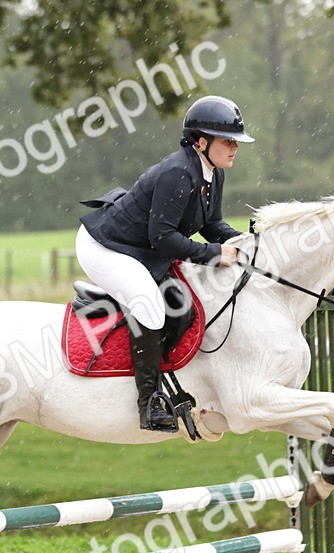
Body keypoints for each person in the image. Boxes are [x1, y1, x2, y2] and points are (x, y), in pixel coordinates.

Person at [75, 95, 254, 432]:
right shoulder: (178, 173)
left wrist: (243, 242)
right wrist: (213, 255)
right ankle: (149, 405)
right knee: (152, 309)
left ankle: (160, 372)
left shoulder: (212, 173)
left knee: (183, 310)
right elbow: (164, 238)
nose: (235, 148)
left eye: (236, 142)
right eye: (228, 141)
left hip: (141, 249)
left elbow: (211, 225)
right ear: (201, 141)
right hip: (106, 247)